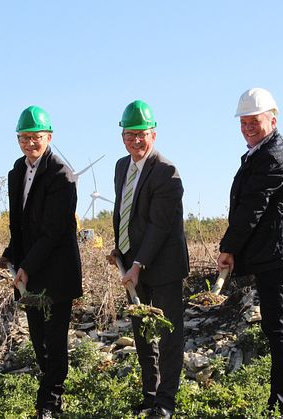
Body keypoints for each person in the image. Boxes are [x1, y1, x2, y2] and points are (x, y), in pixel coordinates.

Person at [217, 88, 283, 418]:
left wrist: (228, 248)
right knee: (277, 326)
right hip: (276, 252)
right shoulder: (261, 152)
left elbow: (252, 208)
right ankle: (282, 402)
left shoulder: (273, 155)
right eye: (243, 122)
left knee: (280, 327)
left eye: (254, 121)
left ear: (272, 119)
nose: (248, 127)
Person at [0, 105, 82, 419]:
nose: (30, 143)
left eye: (36, 137)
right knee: (37, 339)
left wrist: (26, 267)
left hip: (56, 271)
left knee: (55, 339)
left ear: (49, 137)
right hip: (28, 269)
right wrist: (10, 252)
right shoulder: (17, 170)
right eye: (24, 137)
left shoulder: (62, 175)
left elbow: (52, 231)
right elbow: (20, 223)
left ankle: (48, 403)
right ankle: (52, 390)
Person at [107, 100, 189, 419]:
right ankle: (150, 394)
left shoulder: (166, 172)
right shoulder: (120, 167)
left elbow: (158, 225)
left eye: (141, 134)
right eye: (129, 135)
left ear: (153, 134)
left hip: (163, 266)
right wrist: (120, 249)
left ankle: (165, 403)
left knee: (168, 334)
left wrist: (138, 265)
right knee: (142, 334)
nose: (135, 141)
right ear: (122, 136)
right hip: (133, 264)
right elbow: (124, 213)